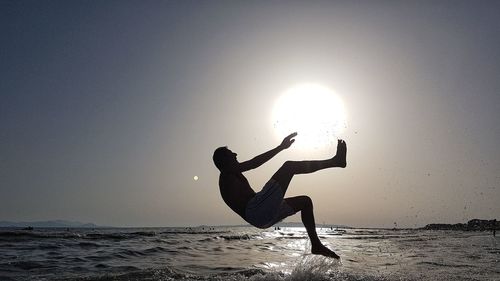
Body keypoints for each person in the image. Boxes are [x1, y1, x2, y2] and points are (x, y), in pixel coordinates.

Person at [213, 132, 347, 259]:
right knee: (289, 166)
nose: (235, 154)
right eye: (231, 154)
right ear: (224, 160)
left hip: (260, 217)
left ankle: (316, 245)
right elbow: (254, 163)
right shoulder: (226, 173)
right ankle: (335, 162)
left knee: (305, 202)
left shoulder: (232, 174)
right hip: (255, 210)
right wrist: (281, 147)